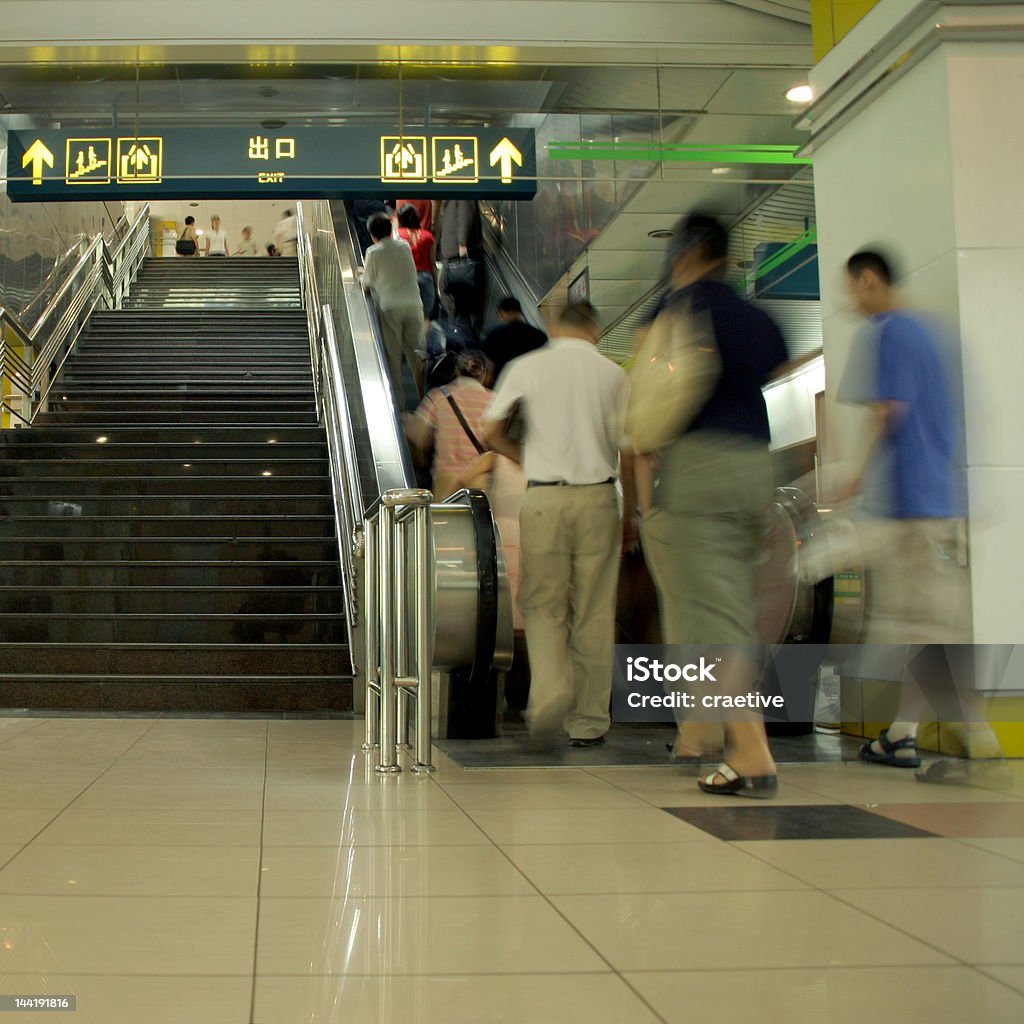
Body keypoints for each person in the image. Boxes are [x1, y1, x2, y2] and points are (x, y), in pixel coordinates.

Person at [635, 213, 788, 798]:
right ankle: (728, 738)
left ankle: (751, 751)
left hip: (699, 470)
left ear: (684, 254)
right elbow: (774, 360)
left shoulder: (676, 313)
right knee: (735, 610)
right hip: (756, 469)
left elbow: (650, 415)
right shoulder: (754, 316)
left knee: (713, 620)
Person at [837, 249, 1002, 778]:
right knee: (931, 627)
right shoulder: (938, 335)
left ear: (868, 280)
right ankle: (905, 735)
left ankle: (974, 733)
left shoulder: (890, 332)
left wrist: (856, 472)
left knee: (918, 626)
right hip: (946, 504)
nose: (851, 301)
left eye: (851, 288)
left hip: (914, 506)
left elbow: (892, 409)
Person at [482, 303, 634, 748]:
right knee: (594, 609)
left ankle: (550, 690)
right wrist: (635, 515)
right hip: (600, 497)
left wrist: (524, 457)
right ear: (595, 328)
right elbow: (631, 447)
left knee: (543, 601)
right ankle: (589, 719)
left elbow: (490, 431)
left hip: (545, 495)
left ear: (555, 326)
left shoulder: (527, 367)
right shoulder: (615, 375)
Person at [405, 349, 494, 501]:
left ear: (457, 371)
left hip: (447, 478)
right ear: (484, 375)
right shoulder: (494, 401)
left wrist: (406, 420)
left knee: (447, 521)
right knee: (481, 521)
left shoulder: (438, 397)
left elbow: (419, 437)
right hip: (481, 476)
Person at [361, 212, 424, 409]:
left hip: (390, 308)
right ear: (390, 229)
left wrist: (362, 273)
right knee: (417, 356)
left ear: (372, 234)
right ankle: (426, 401)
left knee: (394, 358)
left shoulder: (373, 252)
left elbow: (367, 284)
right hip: (414, 304)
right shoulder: (404, 246)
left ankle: (399, 405)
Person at [437, 199, 484, 333]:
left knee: (453, 292)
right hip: (452, 253)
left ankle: (459, 329)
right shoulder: (451, 197)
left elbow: (465, 215)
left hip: (458, 254)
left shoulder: (461, 192)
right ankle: (457, 327)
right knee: (450, 291)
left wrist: (462, 243)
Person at [479, 297, 548, 382]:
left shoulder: (495, 335)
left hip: (503, 385)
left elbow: (489, 366)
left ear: (501, 313)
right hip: (531, 384)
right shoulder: (540, 336)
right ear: (520, 312)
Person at [396, 202, 439, 322]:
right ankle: (423, 340)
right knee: (424, 318)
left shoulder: (397, 235)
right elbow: (433, 263)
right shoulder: (428, 236)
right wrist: (436, 286)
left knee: (406, 318)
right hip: (426, 278)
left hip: (406, 279)